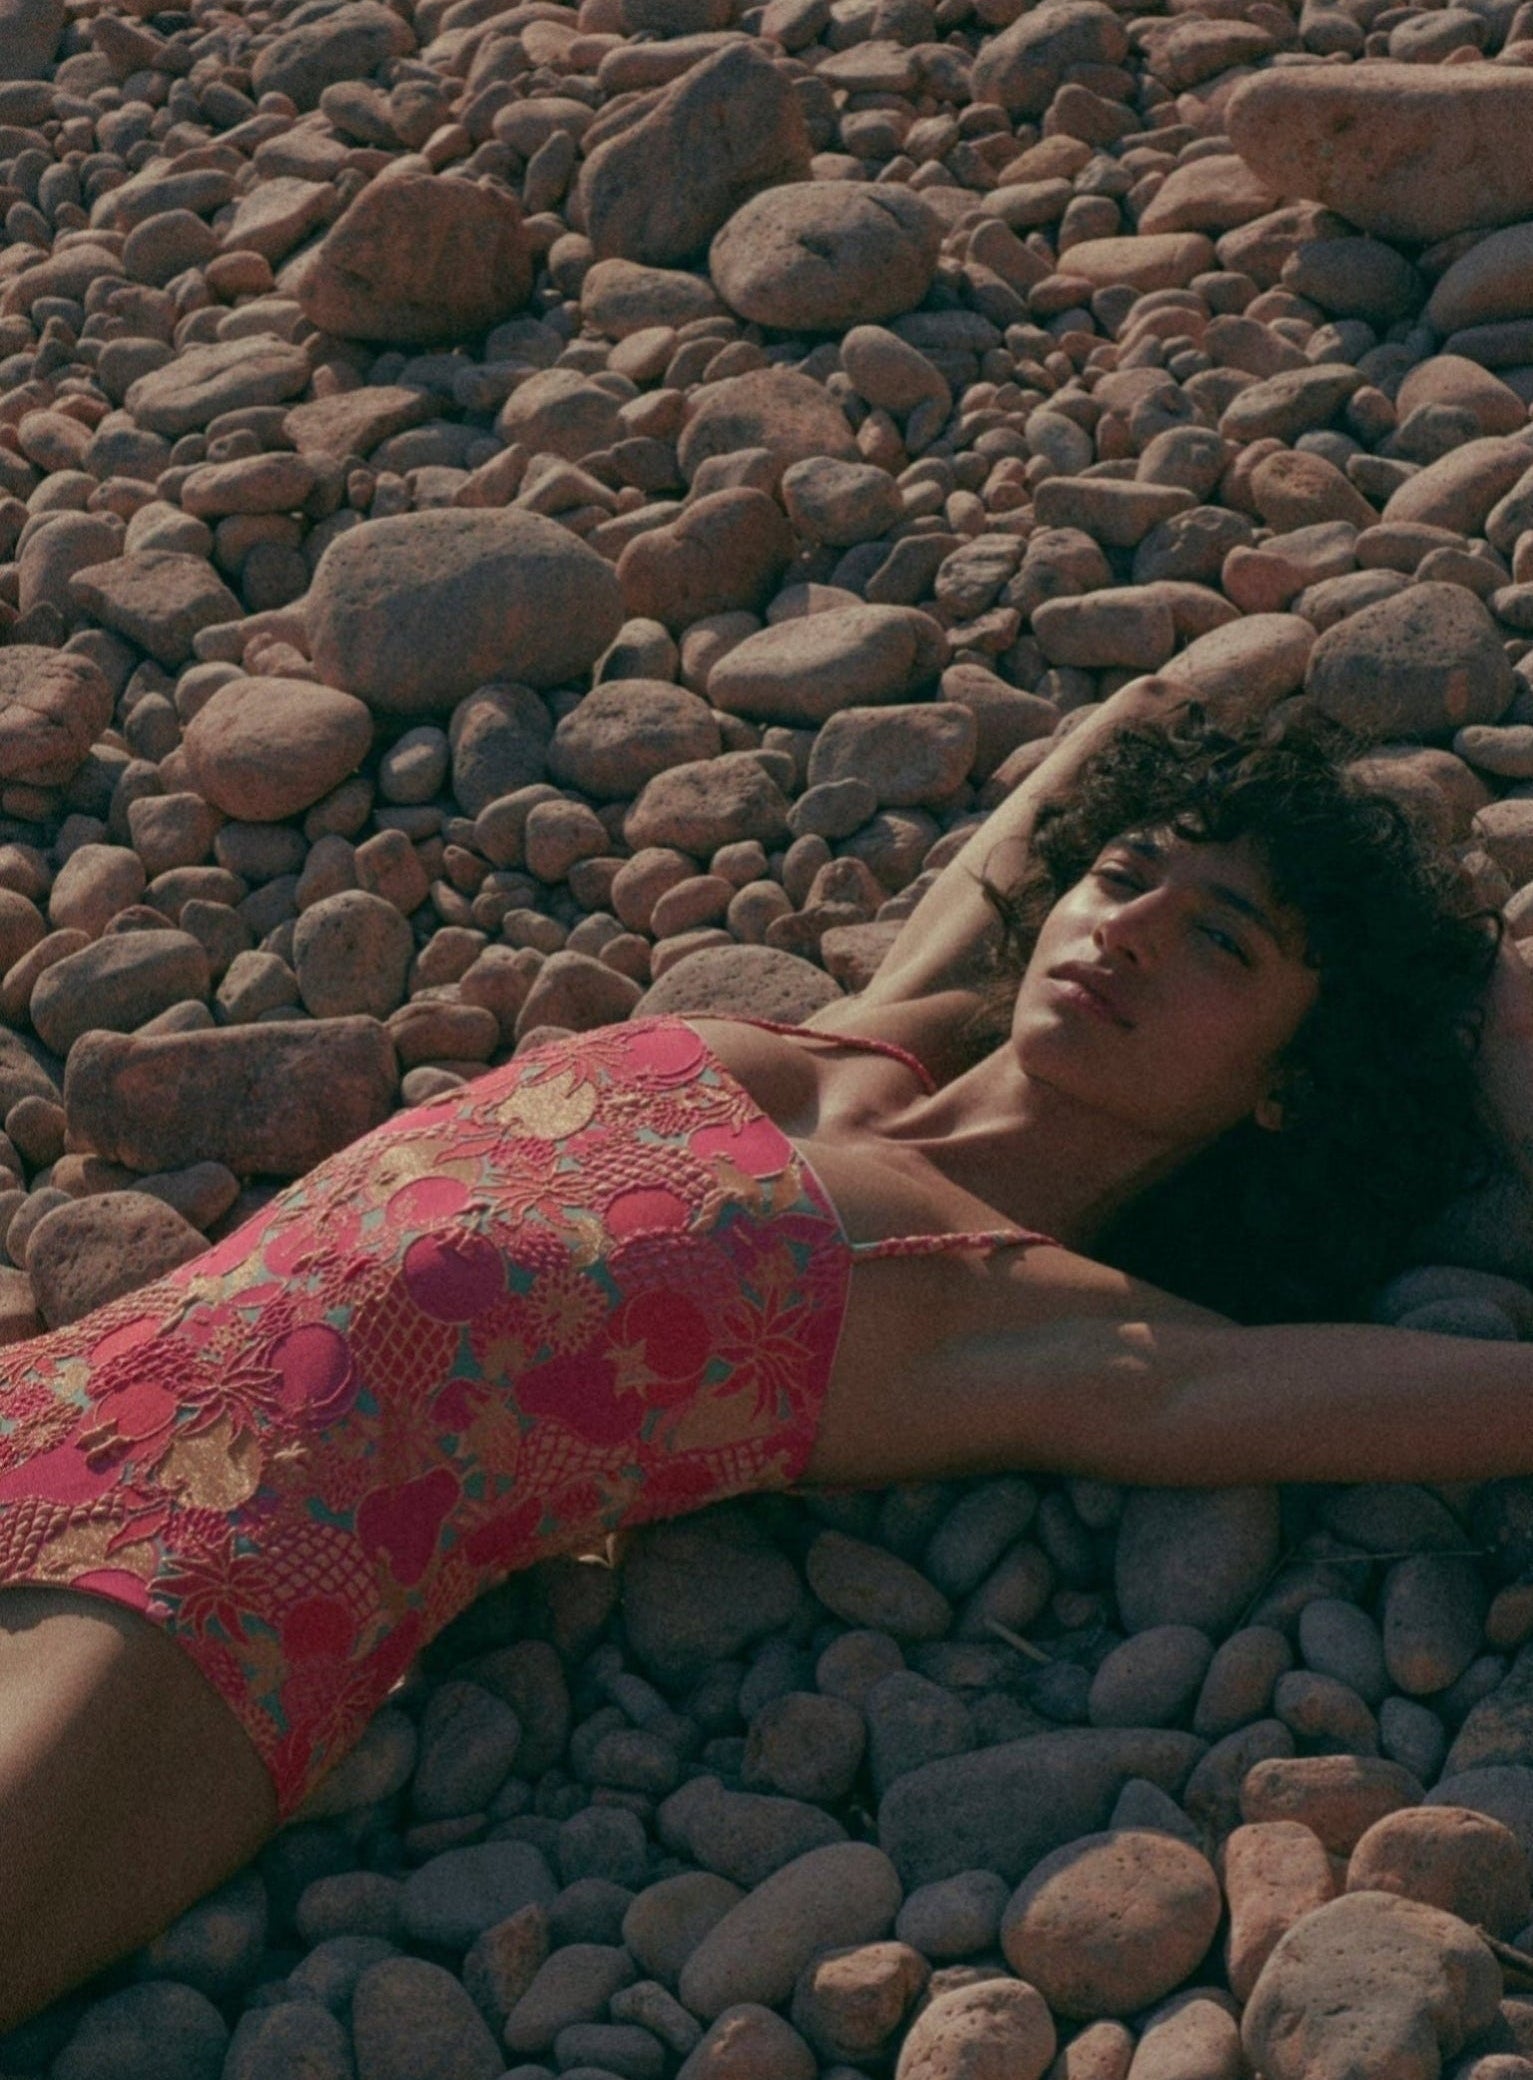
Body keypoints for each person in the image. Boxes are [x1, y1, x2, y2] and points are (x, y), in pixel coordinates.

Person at [0, 671, 1529, 2031]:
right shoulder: (851, 1037)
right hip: (56, 1394)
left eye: (1220, 940)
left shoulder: (1045, 1322)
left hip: (213, 1596)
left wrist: (1495, 1033)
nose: (1124, 928)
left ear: (1291, 1082)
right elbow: (1150, 707)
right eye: (1123, 877)